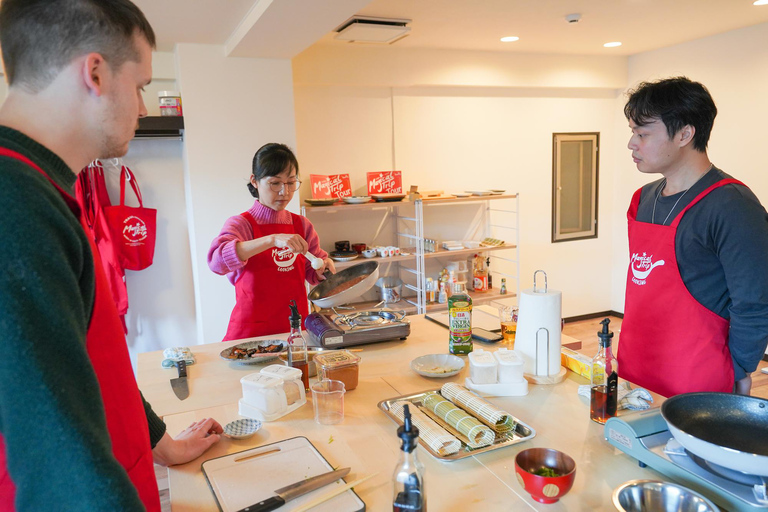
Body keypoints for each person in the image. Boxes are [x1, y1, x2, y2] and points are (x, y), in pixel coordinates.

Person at [0, 1, 221, 510]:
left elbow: (91, 361)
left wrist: (160, 442)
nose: (143, 108)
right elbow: (56, 458)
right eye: (141, 85)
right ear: (95, 73)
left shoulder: (45, 190)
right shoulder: (13, 207)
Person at [619, 76, 768, 398]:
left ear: (685, 134)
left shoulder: (732, 206)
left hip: (698, 375)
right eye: (633, 133)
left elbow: (754, 302)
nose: (632, 144)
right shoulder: (643, 198)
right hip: (637, 364)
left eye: (643, 134)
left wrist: (740, 368)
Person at [209, 143, 335, 339]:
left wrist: (322, 270)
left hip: (295, 329)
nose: (284, 192)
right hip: (251, 333)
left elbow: (312, 271)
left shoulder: (301, 225)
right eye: (275, 183)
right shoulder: (241, 224)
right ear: (255, 181)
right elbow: (217, 263)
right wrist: (271, 240)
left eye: (291, 183)